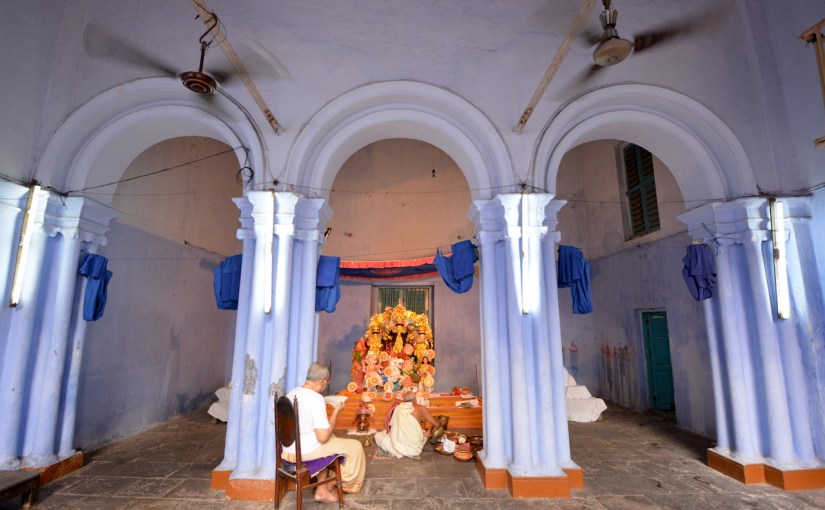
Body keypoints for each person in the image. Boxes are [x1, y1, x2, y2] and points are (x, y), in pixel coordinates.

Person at [282, 363, 366, 502]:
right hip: (305, 450)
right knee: (355, 446)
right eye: (327, 381)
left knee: (332, 439)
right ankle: (331, 483)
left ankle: (321, 490)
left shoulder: (292, 393)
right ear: (322, 380)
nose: (327, 384)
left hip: (289, 448)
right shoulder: (316, 399)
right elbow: (322, 437)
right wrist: (336, 412)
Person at [373, 391, 441, 458]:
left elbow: (393, 426)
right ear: (414, 399)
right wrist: (439, 423)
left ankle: (403, 446)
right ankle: (424, 436)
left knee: (378, 436)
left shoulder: (398, 408)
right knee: (422, 432)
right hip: (415, 447)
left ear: (404, 400)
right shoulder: (421, 408)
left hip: (400, 443)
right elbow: (436, 424)